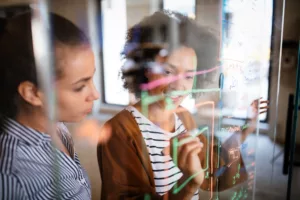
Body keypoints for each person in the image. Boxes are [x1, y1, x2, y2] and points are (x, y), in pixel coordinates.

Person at [97, 11, 220, 200]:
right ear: (144, 69)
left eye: (189, 76)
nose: (179, 86)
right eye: (168, 71)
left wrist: (245, 129)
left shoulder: (184, 116)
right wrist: (188, 183)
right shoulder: (119, 131)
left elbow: (210, 167)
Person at [0, 11, 99, 199]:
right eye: (80, 87)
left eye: (91, 78)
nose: (95, 94)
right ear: (32, 93)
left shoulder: (56, 126)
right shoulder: (11, 176)